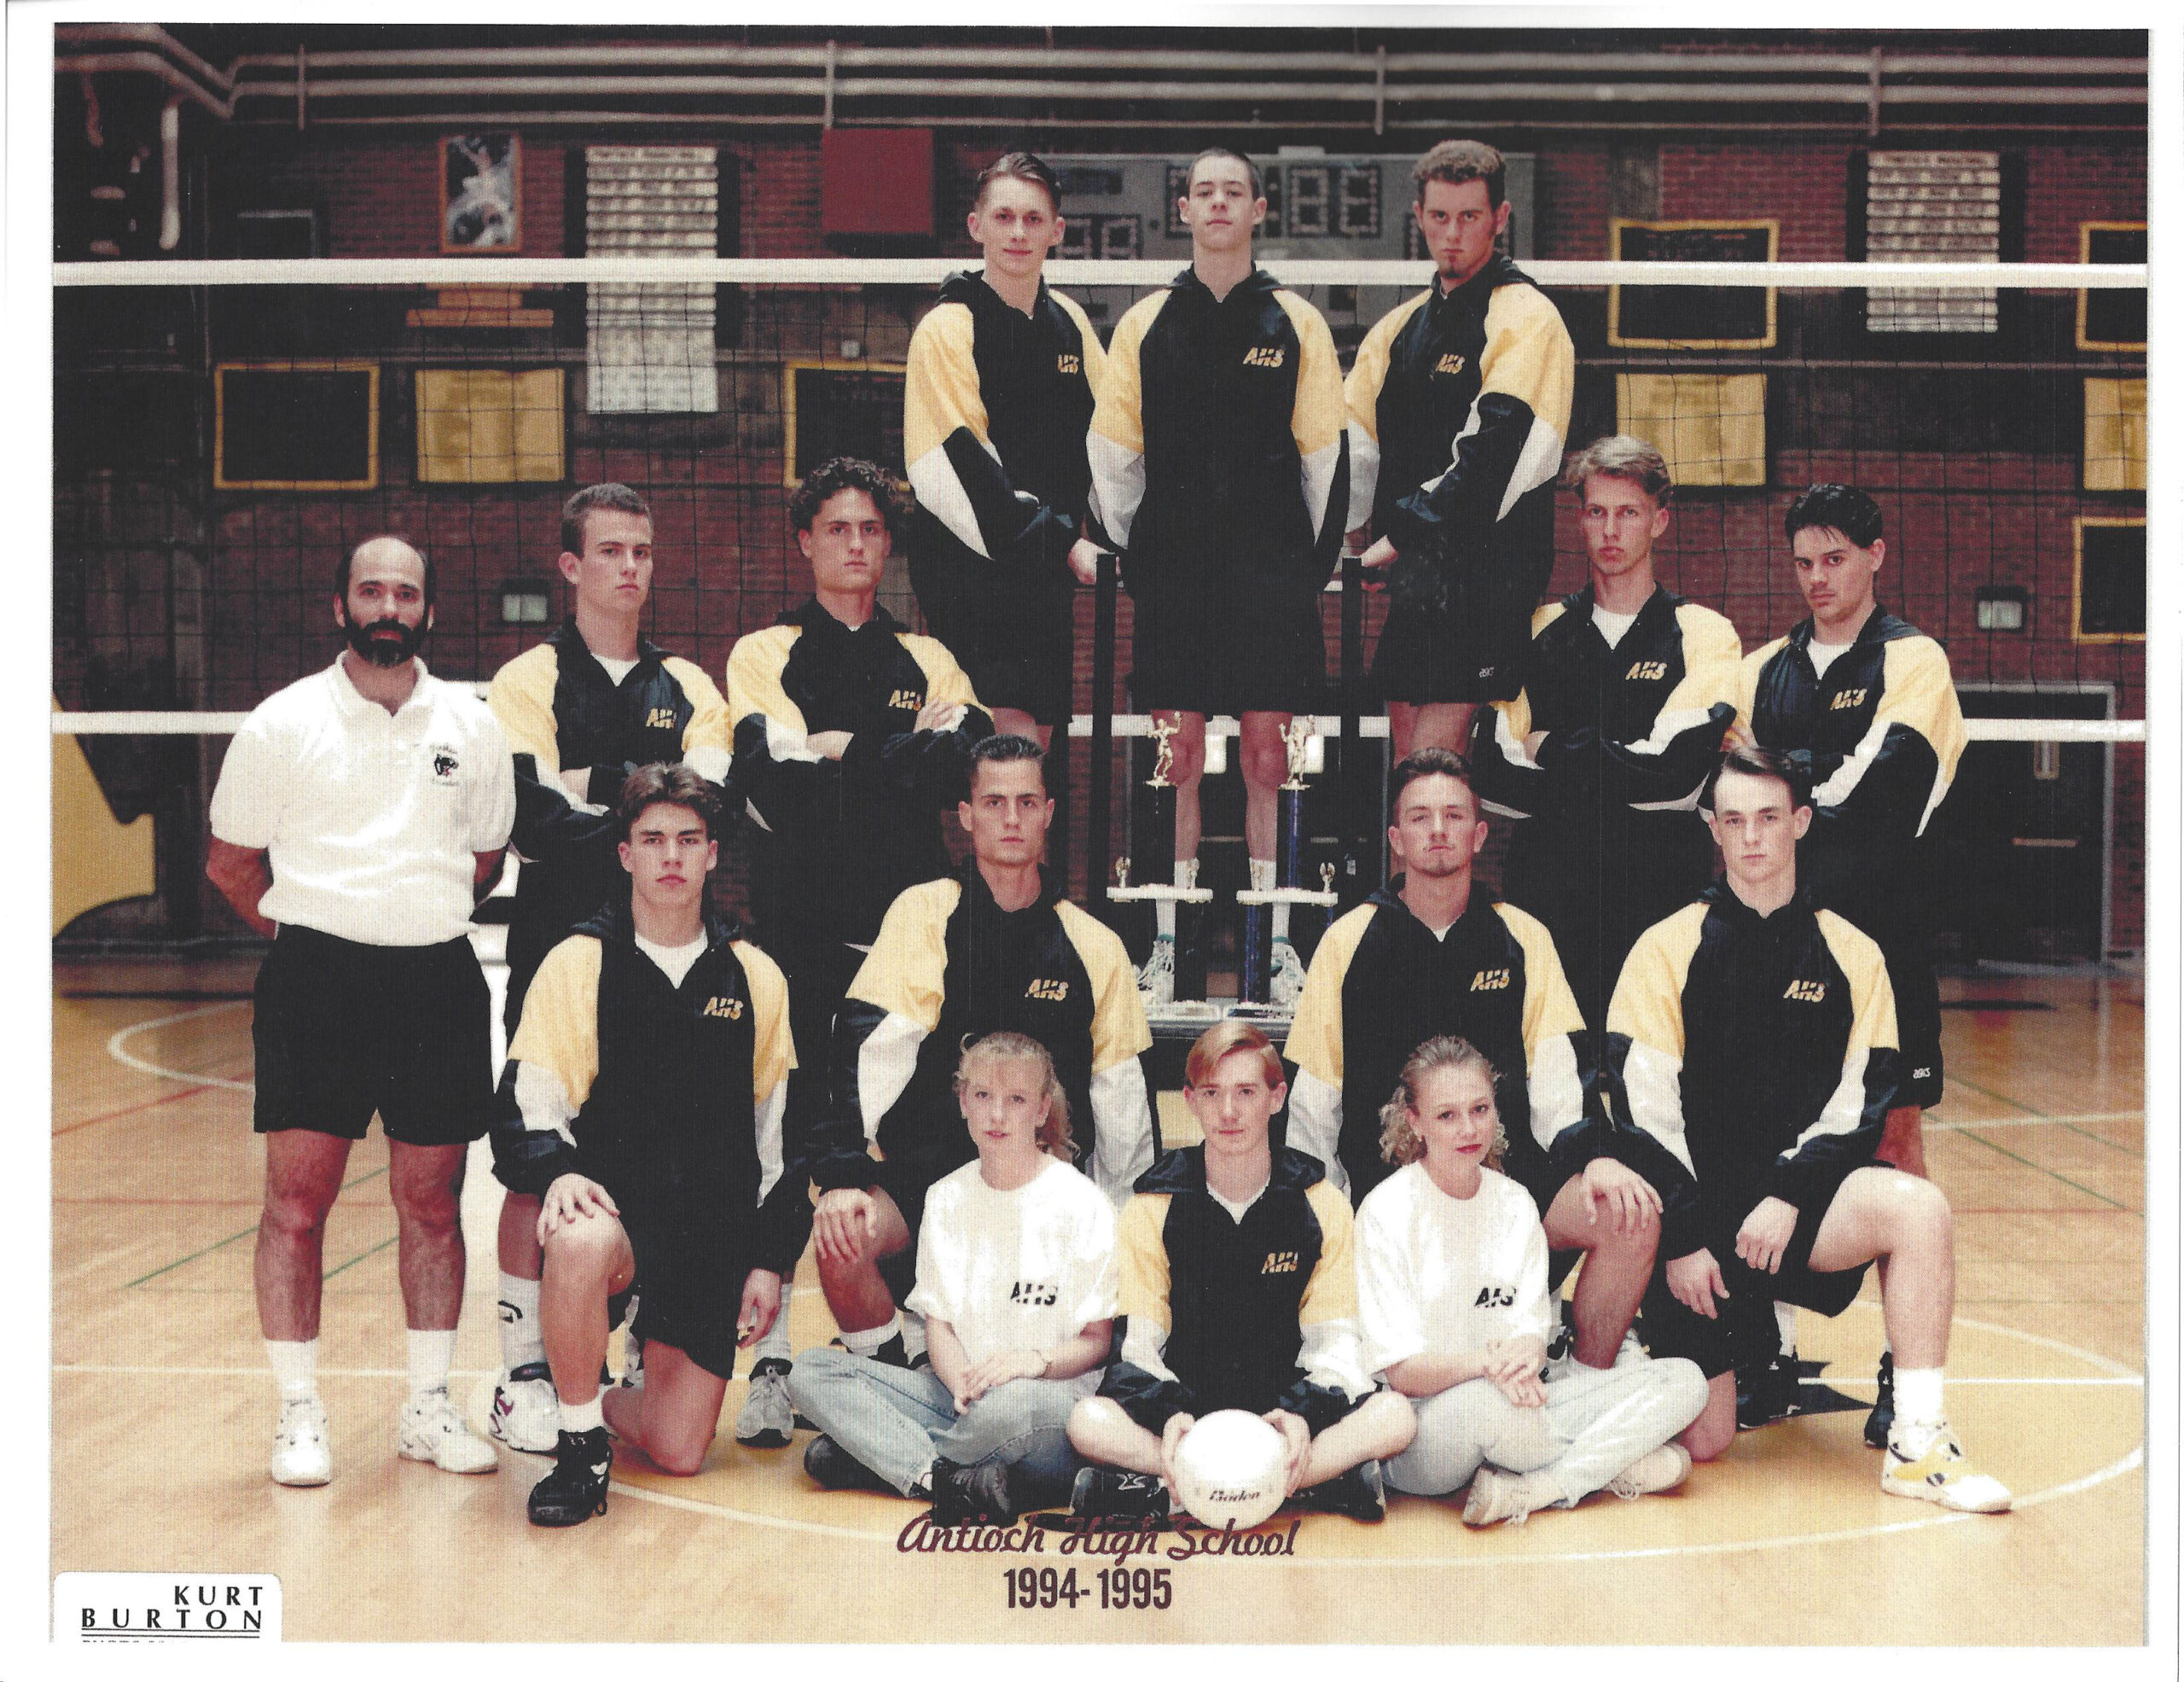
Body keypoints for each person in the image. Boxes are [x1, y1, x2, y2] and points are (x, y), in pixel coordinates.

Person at [1603, 748, 2010, 1512]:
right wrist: (1684, 1235)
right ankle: (1607, 1354)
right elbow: (1641, 1108)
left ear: (1799, 823)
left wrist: (1790, 1192)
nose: (1752, 838)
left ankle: (1919, 1443)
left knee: (1917, 1207)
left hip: (1795, 1218)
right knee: (1705, 1439)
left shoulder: (1854, 953)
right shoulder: (1665, 948)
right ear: (1713, 832)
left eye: (1767, 818)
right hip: (1700, 1230)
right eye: (1733, 821)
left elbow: (1863, 1100)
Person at [206, 535, 514, 1487]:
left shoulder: (471, 722)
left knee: (432, 1206)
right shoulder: (280, 722)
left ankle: (427, 1407)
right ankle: (298, 1413)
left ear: (428, 609)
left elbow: (485, 858)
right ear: (339, 605)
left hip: (436, 984)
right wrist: (319, 933)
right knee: (295, 1208)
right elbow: (231, 865)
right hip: (316, 985)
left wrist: (399, 918)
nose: (390, 604)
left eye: (407, 592)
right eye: (371, 589)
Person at [726, 456, 994, 1438]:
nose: (853, 544)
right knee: (783, 1139)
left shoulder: (929, 659)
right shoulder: (764, 652)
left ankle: (904, 1347)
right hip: (794, 935)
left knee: (900, 1138)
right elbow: (770, 781)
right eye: (835, 527)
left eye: (870, 530)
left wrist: (839, 752)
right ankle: (768, 1359)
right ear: (805, 541)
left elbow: (951, 760)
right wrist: (887, 760)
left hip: (901, 953)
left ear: (887, 545)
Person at [483, 481, 734, 1455]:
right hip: (557, 936)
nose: (631, 567)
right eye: (611, 551)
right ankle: (522, 1375)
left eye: (643, 550)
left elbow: (696, 807)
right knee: (532, 1149)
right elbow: (527, 814)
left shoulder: (692, 685)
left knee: (658, 1128)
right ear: (571, 565)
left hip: (666, 935)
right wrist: (633, 800)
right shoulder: (526, 679)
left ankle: (621, 1341)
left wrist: (593, 790)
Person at [1285, 749, 1661, 1376]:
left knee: (1630, 1217)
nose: (1438, 830)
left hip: (1507, 1186)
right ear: (1397, 839)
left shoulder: (1523, 937)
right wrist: (1325, 1216)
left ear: (1479, 833)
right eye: (1421, 817)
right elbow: (1313, 1099)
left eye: (1454, 815)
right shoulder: (1349, 940)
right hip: (1389, 1195)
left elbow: (1561, 1089)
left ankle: (1580, 1387)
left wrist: (1593, 1161)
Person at [502, 765, 804, 1526]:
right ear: (625, 854)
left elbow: (780, 1142)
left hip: (707, 1239)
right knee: (576, 1237)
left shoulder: (757, 977)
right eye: (653, 839)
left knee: (678, 1450)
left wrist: (767, 1257)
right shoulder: (579, 963)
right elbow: (528, 1103)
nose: (671, 855)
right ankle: (579, 1448)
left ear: (711, 855)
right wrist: (561, 1170)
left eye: (689, 840)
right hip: (620, 1227)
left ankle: (604, 1397)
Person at [1734, 483, 1967, 1440]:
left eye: (1835, 557)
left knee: (1894, 1153)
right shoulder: (1760, 669)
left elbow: (1879, 795)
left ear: (1876, 554)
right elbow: (1735, 795)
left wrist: (1786, 804)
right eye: (1803, 562)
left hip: (1884, 951)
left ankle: (1896, 1371)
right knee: (1761, 1136)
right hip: (1774, 949)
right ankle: (1769, 1345)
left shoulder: (1914, 660)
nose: (1818, 578)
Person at [1087, 145, 1348, 998]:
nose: (1219, 204)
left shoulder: (1297, 322)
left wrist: (1299, 567)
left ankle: (1274, 945)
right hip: (1178, 580)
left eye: (1234, 191)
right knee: (1178, 755)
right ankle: (1170, 945)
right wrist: (1148, 555)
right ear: (1186, 211)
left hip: (1271, 577)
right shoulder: (1145, 323)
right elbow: (1114, 457)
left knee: (1271, 758)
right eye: (1205, 192)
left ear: (1258, 209)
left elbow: (1324, 460)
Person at [807, 734, 1154, 1370]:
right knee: (843, 1233)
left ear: (1050, 811)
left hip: (1041, 1191)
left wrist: (1123, 1230)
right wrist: (840, 1174)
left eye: (1027, 801)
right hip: (930, 1178)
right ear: (966, 815)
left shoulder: (1095, 946)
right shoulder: (924, 914)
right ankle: (897, 1372)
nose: (1012, 819)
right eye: (994, 802)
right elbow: (865, 1054)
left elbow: (1123, 1106)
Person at [1066, 1023, 1416, 1525]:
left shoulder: (1322, 1203)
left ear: (1277, 1098)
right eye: (1212, 1093)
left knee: (1395, 1417)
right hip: (1190, 1421)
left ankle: (1164, 1493)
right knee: (1087, 1421)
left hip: (1284, 1421)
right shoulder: (1152, 1205)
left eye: (1246, 1092)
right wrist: (1172, 1419)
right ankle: (1302, 1485)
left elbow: (1336, 1345)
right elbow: (1137, 1347)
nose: (1228, 1112)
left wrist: (1300, 1415)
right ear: (1190, 1100)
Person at [1355, 1037, 1707, 1526]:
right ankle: (1607, 1465)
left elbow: (1531, 1337)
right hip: (1425, 1427)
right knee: (1493, 1408)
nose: (1468, 1129)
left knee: (1684, 1381)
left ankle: (1541, 1488)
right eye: (1446, 1116)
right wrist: (1489, 1367)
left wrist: (1524, 1360)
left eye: (1480, 1109)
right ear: (1414, 1122)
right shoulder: (1385, 1211)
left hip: (1518, 1399)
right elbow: (1400, 1371)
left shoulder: (1516, 1202)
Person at [789, 1033, 1118, 1525]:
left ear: (1042, 1107)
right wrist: (959, 1380)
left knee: (1009, 1411)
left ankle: (882, 1462)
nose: (997, 1115)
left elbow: (1097, 1342)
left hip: (1045, 1399)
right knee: (812, 1372)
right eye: (982, 1096)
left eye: (1016, 1099)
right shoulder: (944, 1198)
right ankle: (943, 1478)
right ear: (962, 1101)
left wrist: (1032, 1362)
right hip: (956, 1399)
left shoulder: (1084, 1203)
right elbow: (938, 1326)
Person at [1478, 436, 1742, 1029]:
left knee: (1651, 1107)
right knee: (1550, 1104)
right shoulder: (1537, 630)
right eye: (1596, 512)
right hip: (1548, 906)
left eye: (1628, 512)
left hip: (1661, 904)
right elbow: (1495, 781)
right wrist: (1622, 766)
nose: (1611, 530)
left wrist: (1549, 746)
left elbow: (1678, 777)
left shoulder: (1705, 632)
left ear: (1660, 520)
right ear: (1580, 520)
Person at [1343, 138, 1575, 762]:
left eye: (1470, 217)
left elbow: (1494, 455)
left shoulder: (1528, 317)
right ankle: (1404, 867)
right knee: (1409, 769)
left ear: (1500, 219)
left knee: (1436, 768)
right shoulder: (1396, 331)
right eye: (1439, 217)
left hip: (1487, 577)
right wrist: (1345, 542)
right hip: (1416, 580)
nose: (1452, 234)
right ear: (1417, 215)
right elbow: (1352, 453)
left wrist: (1397, 537)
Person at [904, 151, 1107, 747]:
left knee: (1036, 746)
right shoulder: (947, 327)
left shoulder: (1070, 323)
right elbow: (962, 467)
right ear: (976, 227)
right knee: (1002, 739)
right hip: (971, 565)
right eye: (1004, 217)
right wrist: (1067, 542)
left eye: (1033, 219)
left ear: (1056, 231)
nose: (1018, 232)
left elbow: (1113, 443)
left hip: (1045, 570)